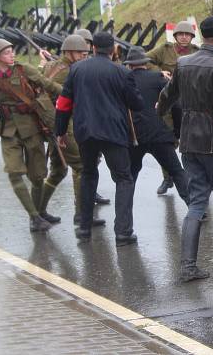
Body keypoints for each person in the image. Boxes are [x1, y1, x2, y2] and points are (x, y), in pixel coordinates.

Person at [157, 14, 213, 282]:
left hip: (189, 141)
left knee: (197, 202)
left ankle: (188, 266)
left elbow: (168, 94)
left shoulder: (183, 62)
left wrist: (160, 109)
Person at [54, 32, 145, 246]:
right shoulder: (121, 72)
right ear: (113, 49)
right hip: (113, 132)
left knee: (88, 175)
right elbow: (137, 103)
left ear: (93, 48)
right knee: (123, 178)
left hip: (85, 132)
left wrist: (59, 131)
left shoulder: (76, 69)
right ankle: (123, 232)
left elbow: (63, 103)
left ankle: (84, 228)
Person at [0, 38, 62, 232]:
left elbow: (47, 84)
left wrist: (70, 93)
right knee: (14, 172)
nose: (12, 54)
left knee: (37, 176)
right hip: (8, 130)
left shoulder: (24, 69)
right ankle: (34, 217)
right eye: (7, 52)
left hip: (32, 128)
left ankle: (39, 213)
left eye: (12, 51)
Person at [40, 34, 106, 228]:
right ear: (68, 52)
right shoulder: (64, 70)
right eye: (80, 53)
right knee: (82, 166)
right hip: (62, 124)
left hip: (55, 123)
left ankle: (38, 211)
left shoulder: (55, 66)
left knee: (58, 171)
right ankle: (82, 214)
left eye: (86, 53)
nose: (84, 56)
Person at [123, 46, 191, 203]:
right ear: (145, 64)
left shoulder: (123, 81)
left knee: (129, 177)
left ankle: (123, 219)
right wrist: (176, 132)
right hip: (159, 133)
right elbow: (177, 105)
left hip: (133, 136)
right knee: (177, 171)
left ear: (129, 65)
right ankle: (195, 209)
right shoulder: (158, 78)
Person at [147, 21, 199, 195]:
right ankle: (167, 178)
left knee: (193, 141)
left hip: (189, 103)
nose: (184, 37)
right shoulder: (164, 49)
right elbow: (146, 60)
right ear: (175, 36)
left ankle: (195, 177)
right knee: (167, 141)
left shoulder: (197, 52)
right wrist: (159, 72)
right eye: (180, 34)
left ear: (192, 37)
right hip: (168, 102)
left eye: (187, 34)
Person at [73, 27, 111, 207]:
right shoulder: (70, 66)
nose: (85, 47)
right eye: (82, 43)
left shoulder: (90, 63)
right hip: (77, 119)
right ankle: (81, 206)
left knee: (92, 163)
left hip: (96, 118)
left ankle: (89, 195)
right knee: (80, 166)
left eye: (88, 43)